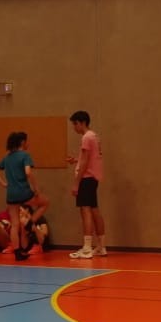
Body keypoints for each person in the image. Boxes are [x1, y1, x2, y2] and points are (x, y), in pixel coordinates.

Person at [0, 131, 47, 261]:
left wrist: (3, 183)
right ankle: (30, 223)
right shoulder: (25, 155)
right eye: (27, 141)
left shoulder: (7, 157)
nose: (28, 143)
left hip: (11, 194)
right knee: (45, 203)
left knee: (15, 224)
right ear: (22, 142)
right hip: (23, 191)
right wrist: (36, 189)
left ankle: (17, 252)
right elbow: (28, 172)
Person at [67, 110, 106, 259]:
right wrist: (76, 160)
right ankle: (101, 246)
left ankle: (87, 248)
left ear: (82, 122)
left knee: (85, 210)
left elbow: (85, 162)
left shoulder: (86, 137)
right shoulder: (94, 136)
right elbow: (89, 158)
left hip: (86, 178)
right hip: (94, 178)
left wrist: (76, 183)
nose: (74, 127)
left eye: (75, 124)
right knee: (94, 210)